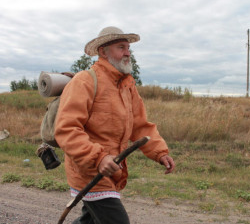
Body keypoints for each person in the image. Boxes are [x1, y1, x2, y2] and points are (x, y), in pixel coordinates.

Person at [55, 26, 175, 224]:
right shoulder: (85, 81)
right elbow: (67, 129)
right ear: (103, 51)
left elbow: (140, 125)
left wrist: (160, 152)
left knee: (91, 221)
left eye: (128, 48)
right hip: (89, 171)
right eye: (121, 47)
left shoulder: (127, 85)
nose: (128, 53)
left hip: (111, 169)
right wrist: (99, 158)